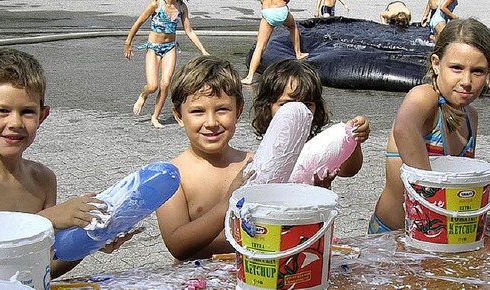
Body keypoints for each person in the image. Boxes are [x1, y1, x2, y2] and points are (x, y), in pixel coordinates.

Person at [0, 48, 133, 278]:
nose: (15, 122)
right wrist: (48, 219)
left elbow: (44, 267)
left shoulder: (43, 179)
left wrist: (87, 240)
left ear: (43, 116)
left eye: (27, 112)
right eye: (2, 111)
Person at [370, 18, 490, 233]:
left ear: (489, 71)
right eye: (456, 68)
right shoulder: (424, 97)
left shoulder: (470, 116)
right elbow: (404, 129)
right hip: (393, 235)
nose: (466, 80)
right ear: (436, 63)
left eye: (477, 71)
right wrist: (432, 190)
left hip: (437, 234)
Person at [155, 55, 254, 262]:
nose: (211, 122)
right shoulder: (171, 177)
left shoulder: (254, 165)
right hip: (193, 281)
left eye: (222, 110)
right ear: (179, 116)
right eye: (198, 111)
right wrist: (227, 205)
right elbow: (178, 246)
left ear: (239, 111)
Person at [251, 59, 370, 187]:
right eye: (286, 104)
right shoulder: (268, 146)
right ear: (268, 105)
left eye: (307, 104)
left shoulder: (317, 144)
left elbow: (348, 171)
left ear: (317, 107)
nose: (298, 111)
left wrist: (352, 140)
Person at [124, 0, 209, 129]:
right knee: (153, 86)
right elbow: (139, 22)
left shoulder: (181, 7)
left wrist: (203, 50)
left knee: (165, 84)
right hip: (153, 47)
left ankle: (155, 117)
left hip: (170, 47)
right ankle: (144, 94)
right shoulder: (156, 5)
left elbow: (189, 31)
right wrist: (128, 43)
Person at [241, 0, 309, 85]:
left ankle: (249, 77)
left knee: (260, 46)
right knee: (293, 27)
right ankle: (298, 53)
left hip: (268, 12)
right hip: (281, 11)